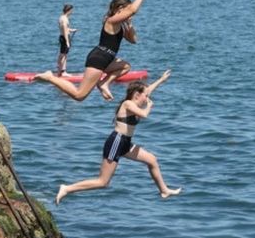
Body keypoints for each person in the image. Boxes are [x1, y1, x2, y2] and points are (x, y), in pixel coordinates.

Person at [55, 70, 181, 205]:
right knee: (103, 182)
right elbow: (144, 115)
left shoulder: (136, 101)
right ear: (137, 95)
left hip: (125, 143)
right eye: (145, 96)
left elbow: (148, 90)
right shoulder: (128, 104)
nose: (147, 97)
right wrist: (149, 107)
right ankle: (67, 188)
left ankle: (164, 190)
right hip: (116, 141)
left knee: (152, 160)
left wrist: (161, 80)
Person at [36, 0, 155, 101]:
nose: (128, 13)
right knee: (79, 95)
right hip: (99, 58)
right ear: (120, 9)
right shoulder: (111, 21)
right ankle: (50, 77)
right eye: (126, 9)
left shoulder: (120, 25)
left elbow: (133, 40)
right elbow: (133, 10)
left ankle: (104, 84)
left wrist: (129, 24)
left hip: (107, 58)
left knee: (126, 66)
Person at [57, 3, 77, 76]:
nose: (72, 12)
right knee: (64, 55)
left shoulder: (61, 17)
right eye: (72, 10)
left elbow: (64, 28)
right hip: (65, 38)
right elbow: (65, 31)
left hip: (62, 37)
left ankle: (59, 70)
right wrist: (67, 42)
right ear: (68, 10)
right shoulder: (65, 19)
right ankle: (63, 72)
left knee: (62, 55)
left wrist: (71, 30)